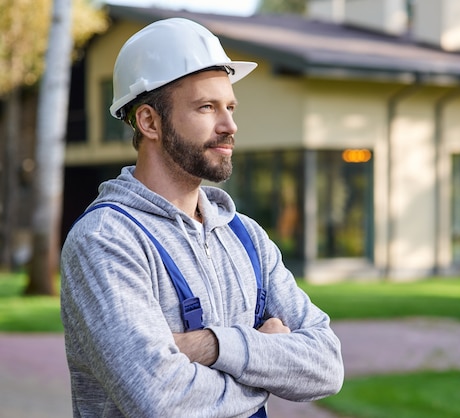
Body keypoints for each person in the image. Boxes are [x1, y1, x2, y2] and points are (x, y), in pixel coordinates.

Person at [60, 17, 344, 418]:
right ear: (149, 121)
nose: (230, 125)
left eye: (229, 106)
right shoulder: (106, 241)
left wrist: (211, 345)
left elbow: (327, 367)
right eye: (206, 107)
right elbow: (160, 399)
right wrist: (264, 371)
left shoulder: (246, 236)